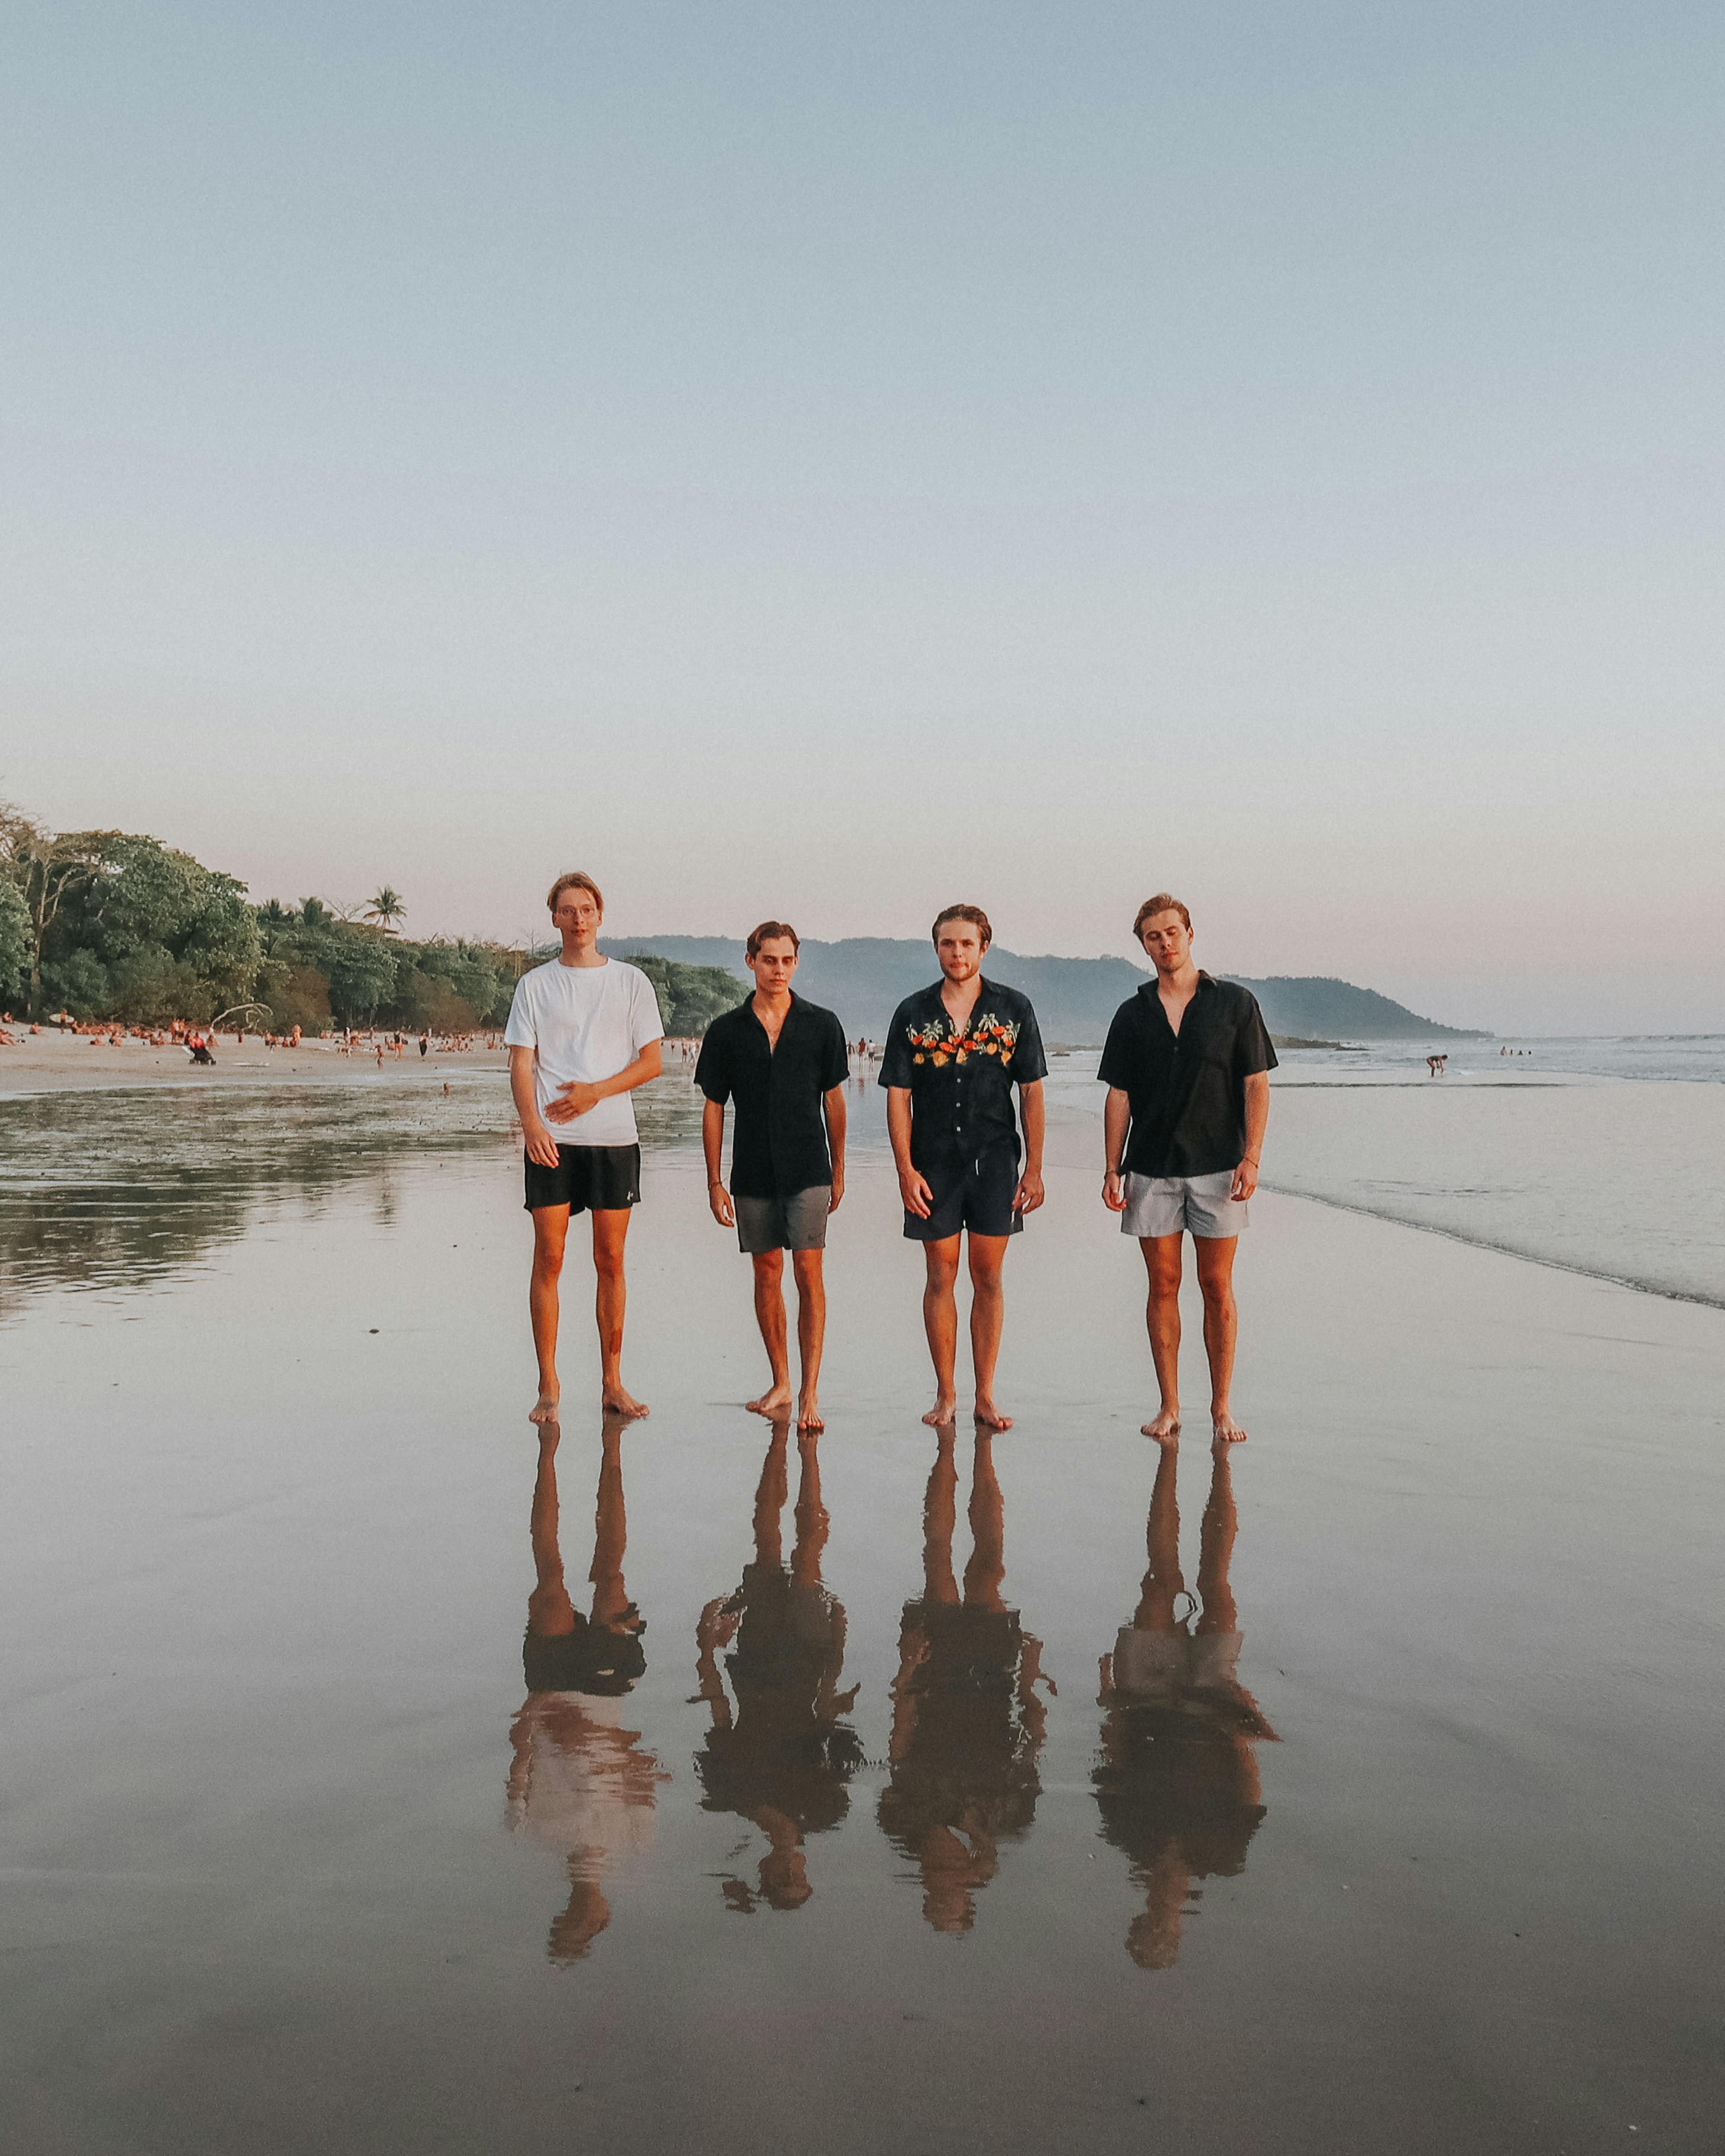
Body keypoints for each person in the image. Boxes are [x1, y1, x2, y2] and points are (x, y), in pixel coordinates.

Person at [1093, 1437, 1277, 1967]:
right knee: (1215, 1589)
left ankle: (1173, 1467)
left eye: (1146, 1925)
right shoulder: (1222, 1856)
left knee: (1159, 1585)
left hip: (1147, 1699)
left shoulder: (1129, 1839)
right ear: (1174, 1928)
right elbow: (1247, 1784)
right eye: (1159, 1929)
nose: (1156, 1914)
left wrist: (1111, 1697)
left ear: (1141, 1916)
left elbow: (1116, 1757)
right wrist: (1241, 1715)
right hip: (1211, 1708)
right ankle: (1214, 1475)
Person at [1100, 894, 1275, 1443]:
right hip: (1150, 1168)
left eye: (1172, 932)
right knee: (1163, 1285)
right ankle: (1170, 1406)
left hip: (1219, 1167)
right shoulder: (1132, 1014)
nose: (1165, 944)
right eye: (1153, 937)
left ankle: (1221, 1407)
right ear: (1144, 945)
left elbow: (1256, 1085)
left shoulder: (1235, 1004)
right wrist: (1111, 1167)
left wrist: (1251, 1157)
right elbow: (1119, 1095)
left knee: (1217, 1285)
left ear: (1190, 933)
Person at [506, 1415, 669, 1961]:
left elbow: (519, 1758)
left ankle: (551, 1457)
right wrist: (602, 1752)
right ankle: (611, 1453)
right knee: (610, 1573)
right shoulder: (635, 1842)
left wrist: (537, 1713)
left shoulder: (531, 1833)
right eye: (582, 1921)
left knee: (549, 1574)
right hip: (606, 1691)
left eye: (565, 1921)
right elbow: (646, 1763)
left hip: (551, 1691)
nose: (572, 1913)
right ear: (601, 1914)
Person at [505, 872, 664, 1424]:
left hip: (613, 1137)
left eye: (587, 909)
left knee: (610, 1260)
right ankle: (549, 1385)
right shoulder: (535, 985)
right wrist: (531, 1125)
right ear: (554, 918)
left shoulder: (630, 982)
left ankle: (612, 1382)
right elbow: (521, 1061)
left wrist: (597, 1091)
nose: (578, 919)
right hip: (552, 1140)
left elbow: (652, 1061)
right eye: (567, 910)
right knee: (549, 1258)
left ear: (600, 915)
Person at [881, 905, 1047, 1431]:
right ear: (937, 949)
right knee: (940, 1275)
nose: (958, 953)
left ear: (984, 947)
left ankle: (986, 1394)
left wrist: (1035, 1168)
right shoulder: (912, 1012)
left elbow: (1032, 1092)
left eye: (967, 944)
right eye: (948, 944)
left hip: (997, 1159)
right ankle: (946, 1394)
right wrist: (905, 1170)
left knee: (989, 1276)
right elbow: (898, 1097)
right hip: (934, 1163)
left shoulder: (1013, 1008)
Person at [877, 1424, 1049, 1934]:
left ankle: (952, 1451)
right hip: (993, 1678)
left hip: (936, 1672)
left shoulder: (903, 1820)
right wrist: (1030, 1676)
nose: (943, 1880)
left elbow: (900, 1736)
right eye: (953, 1890)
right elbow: (1033, 1739)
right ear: (971, 1881)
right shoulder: (1005, 1818)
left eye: (936, 1893)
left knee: (938, 1561)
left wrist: (907, 1664)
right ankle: (984, 1457)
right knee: (990, 1564)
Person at [693, 1421, 862, 1912]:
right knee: (808, 1558)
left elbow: (719, 1706)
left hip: (758, 1660)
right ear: (806, 1870)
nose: (792, 1868)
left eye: (783, 1878)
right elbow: (828, 1712)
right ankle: (809, 1459)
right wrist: (840, 1642)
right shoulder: (826, 1807)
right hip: (808, 1659)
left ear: (764, 1872)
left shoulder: (732, 1792)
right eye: (799, 1878)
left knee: (767, 1547)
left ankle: (783, 1444)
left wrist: (706, 1646)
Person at [695, 922, 848, 1431]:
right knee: (766, 1274)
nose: (778, 969)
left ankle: (810, 1393)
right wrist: (714, 1181)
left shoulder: (822, 1025)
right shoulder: (725, 1031)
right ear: (751, 962)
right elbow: (714, 1108)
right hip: (752, 1172)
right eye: (768, 960)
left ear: (796, 963)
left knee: (809, 1274)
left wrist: (840, 1168)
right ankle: (781, 1381)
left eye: (786, 961)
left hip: (809, 1169)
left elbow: (834, 1101)